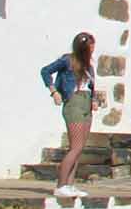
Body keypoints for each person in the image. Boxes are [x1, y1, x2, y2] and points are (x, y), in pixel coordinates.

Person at [37, 32, 98, 197]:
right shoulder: (68, 60)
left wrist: (94, 100)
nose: (92, 49)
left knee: (79, 148)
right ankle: (61, 184)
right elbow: (45, 71)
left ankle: (70, 184)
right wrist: (54, 91)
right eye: (90, 46)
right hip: (74, 102)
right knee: (76, 147)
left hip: (86, 103)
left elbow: (91, 87)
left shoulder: (89, 67)